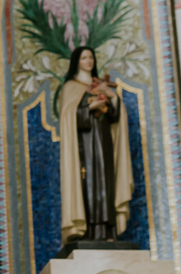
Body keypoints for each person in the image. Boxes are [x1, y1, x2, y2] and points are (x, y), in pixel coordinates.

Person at [57, 45, 133, 243]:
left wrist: (112, 96)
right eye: (84, 58)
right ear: (77, 62)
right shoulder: (70, 87)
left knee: (106, 183)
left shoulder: (100, 84)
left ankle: (108, 232)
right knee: (88, 184)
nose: (88, 61)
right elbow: (68, 118)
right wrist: (89, 107)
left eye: (90, 57)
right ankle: (88, 232)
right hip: (84, 147)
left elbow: (115, 117)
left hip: (104, 142)